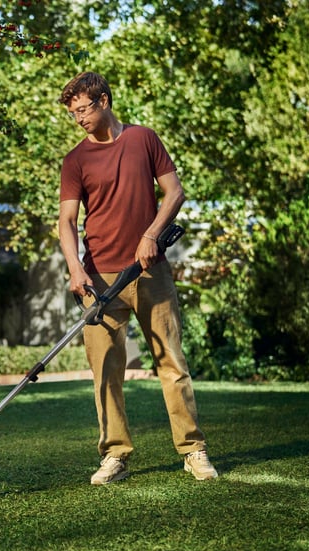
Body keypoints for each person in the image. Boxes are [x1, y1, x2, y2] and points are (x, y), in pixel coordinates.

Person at [56, 71, 217, 484]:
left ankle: (193, 450)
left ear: (104, 101)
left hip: (150, 271)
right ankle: (115, 455)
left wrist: (150, 235)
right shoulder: (76, 159)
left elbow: (174, 192)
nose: (79, 119)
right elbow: (67, 221)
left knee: (170, 361)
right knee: (106, 370)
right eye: (73, 113)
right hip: (98, 280)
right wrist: (75, 268)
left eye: (84, 109)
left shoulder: (144, 139)